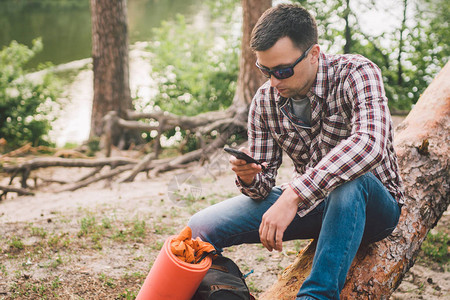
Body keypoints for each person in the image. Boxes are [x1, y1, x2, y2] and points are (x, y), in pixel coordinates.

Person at [188, 4, 404, 300]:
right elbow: (262, 188)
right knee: (199, 228)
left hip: (374, 208)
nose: (274, 82)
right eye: (265, 70)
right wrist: (250, 177)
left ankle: (316, 296)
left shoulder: (357, 72)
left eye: (282, 71)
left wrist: (294, 194)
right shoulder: (265, 100)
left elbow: (371, 143)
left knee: (351, 180)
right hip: (314, 204)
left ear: (314, 54)